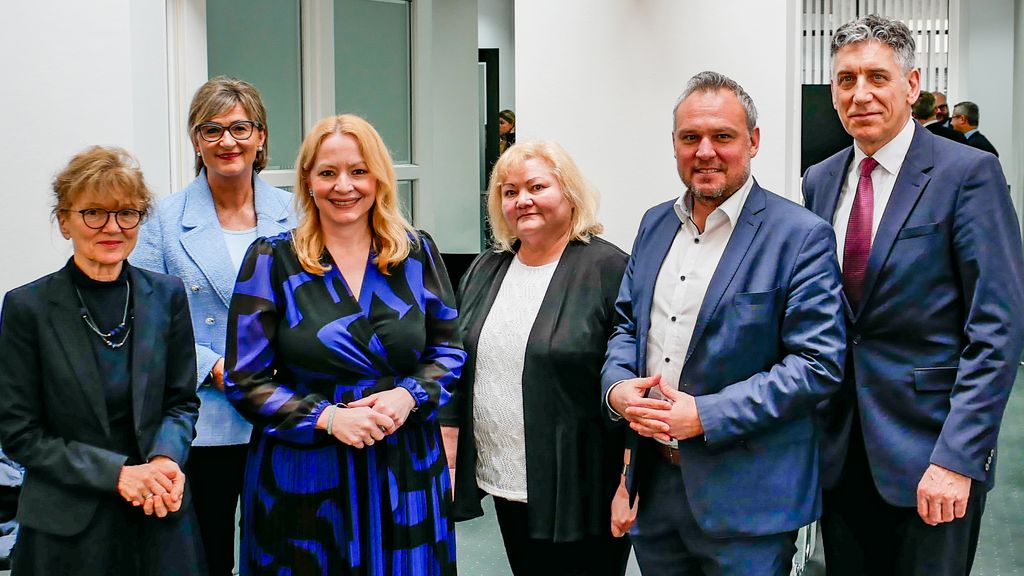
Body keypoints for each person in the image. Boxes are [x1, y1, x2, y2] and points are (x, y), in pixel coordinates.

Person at [803, 14, 1024, 575]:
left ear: (912, 84)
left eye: (877, 77)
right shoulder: (820, 180)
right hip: (841, 448)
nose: (860, 94)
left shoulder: (968, 173)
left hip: (930, 451)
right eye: (846, 80)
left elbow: (997, 327)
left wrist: (959, 456)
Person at [602, 71, 846, 575]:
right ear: (674, 145)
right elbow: (628, 324)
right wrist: (618, 389)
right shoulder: (654, 223)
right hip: (655, 488)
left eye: (723, 136)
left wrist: (706, 415)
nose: (705, 151)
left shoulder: (799, 236)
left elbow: (817, 364)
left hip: (748, 500)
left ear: (753, 142)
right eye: (690, 137)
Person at [224, 114, 465, 575]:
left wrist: (406, 395)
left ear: (379, 177)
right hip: (306, 470)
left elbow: (449, 351)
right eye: (328, 173)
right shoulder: (272, 260)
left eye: (358, 171)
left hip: (404, 461)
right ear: (308, 182)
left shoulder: (417, 253)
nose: (344, 186)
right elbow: (244, 379)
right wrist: (327, 418)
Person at [0, 146, 204, 574]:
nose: (112, 227)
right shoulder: (27, 308)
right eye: (94, 213)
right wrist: (118, 474)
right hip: (65, 530)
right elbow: (19, 432)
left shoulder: (167, 295)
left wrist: (165, 460)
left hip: (158, 517)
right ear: (64, 221)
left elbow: (181, 402)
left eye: (127, 213)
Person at [441, 141, 632, 575]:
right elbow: (456, 360)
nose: (522, 200)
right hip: (506, 479)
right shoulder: (487, 267)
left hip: (583, 489)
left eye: (536, 187)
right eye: (509, 192)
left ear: (569, 193)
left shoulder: (607, 269)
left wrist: (628, 480)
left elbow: (633, 376)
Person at [131, 75, 295, 576]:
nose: (228, 141)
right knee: (209, 554)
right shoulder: (162, 218)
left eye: (241, 127)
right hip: (206, 415)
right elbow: (144, 314)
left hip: (285, 408)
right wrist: (216, 365)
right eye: (211, 130)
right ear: (196, 142)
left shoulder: (296, 214)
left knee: (283, 549)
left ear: (262, 136)